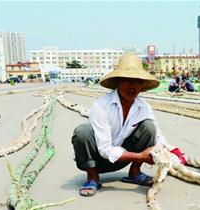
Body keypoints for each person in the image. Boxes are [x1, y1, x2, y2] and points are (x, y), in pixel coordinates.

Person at [71, 54, 166, 197]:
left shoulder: (143, 106)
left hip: (124, 159)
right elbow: (104, 149)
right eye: (127, 81)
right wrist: (140, 156)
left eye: (137, 81)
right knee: (82, 131)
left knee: (149, 126)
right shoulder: (101, 106)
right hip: (96, 160)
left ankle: (134, 173)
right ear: (117, 82)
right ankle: (92, 177)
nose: (132, 86)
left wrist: (169, 152)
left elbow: (158, 135)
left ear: (142, 85)